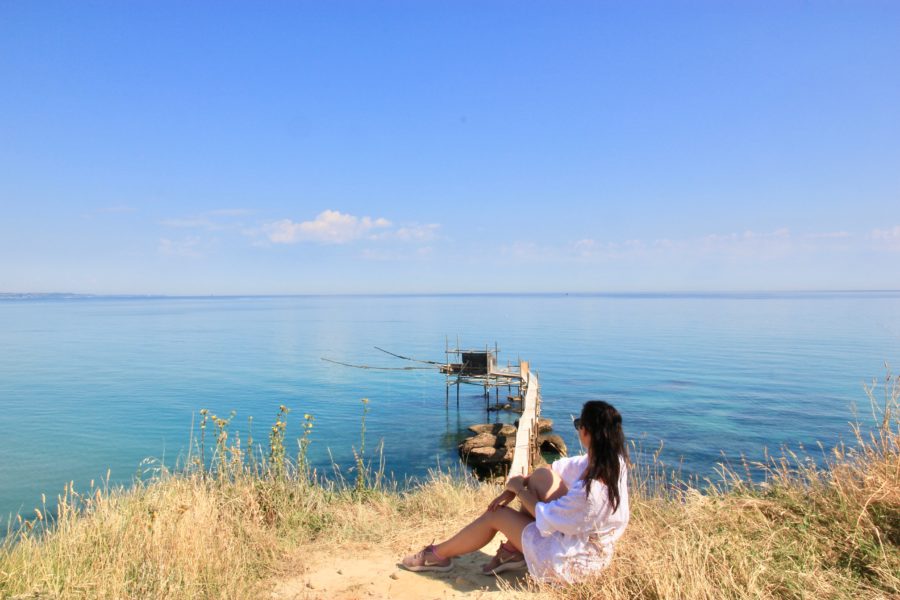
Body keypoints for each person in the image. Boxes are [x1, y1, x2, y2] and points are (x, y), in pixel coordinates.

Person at [400, 400, 629, 583]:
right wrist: (513, 490)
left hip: (569, 563)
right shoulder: (612, 463)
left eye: (579, 424)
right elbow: (552, 468)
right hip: (590, 551)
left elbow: (544, 516)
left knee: (495, 515)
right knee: (541, 476)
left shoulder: (590, 492)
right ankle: (512, 551)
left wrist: (518, 489)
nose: (578, 429)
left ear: (587, 433)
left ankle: (437, 556)